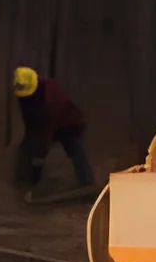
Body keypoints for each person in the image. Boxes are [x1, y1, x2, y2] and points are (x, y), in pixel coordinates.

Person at [10, 65, 94, 199]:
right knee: (27, 147)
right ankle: (23, 182)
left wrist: (41, 155)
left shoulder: (49, 93)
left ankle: (87, 183)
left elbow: (50, 125)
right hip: (40, 124)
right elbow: (29, 119)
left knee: (75, 148)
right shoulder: (23, 95)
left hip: (68, 123)